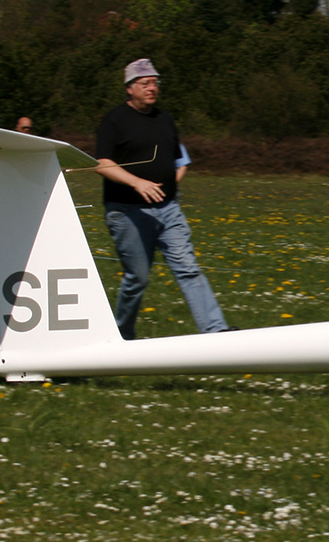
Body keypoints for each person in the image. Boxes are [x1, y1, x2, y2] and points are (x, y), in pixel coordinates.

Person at [95, 58, 229, 340]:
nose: (152, 88)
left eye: (155, 82)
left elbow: (179, 159)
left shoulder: (164, 119)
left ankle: (216, 332)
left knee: (188, 269)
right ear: (130, 88)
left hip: (168, 210)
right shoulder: (114, 120)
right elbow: (102, 163)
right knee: (137, 279)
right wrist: (137, 182)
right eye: (145, 83)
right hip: (128, 212)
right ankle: (121, 335)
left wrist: (169, 185)